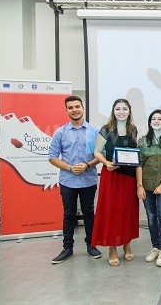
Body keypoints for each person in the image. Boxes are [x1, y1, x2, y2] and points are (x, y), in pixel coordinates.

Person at [49, 96, 101, 264]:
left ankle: (91, 245)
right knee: (68, 215)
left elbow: (101, 156)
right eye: (70, 107)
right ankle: (67, 248)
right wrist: (70, 168)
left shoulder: (94, 131)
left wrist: (87, 165)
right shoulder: (60, 132)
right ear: (66, 110)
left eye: (77, 106)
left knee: (89, 213)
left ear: (83, 108)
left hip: (88, 179)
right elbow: (52, 157)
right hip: (67, 180)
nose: (74, 110)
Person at [92, 98, 140, 266]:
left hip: (129, 177)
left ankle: (127, 245)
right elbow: (97, 152)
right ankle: (112, 248)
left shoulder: (133, 129)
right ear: (113, 111)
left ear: (129, 111)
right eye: (118, 109)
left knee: (127, 211)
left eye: (124, 109)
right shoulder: (106, 130)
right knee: (111, 212)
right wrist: (106, 163)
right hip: (111, 176)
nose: (121, 112)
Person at [136, 110, 161, 267]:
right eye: (154, 119)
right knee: (151, 216)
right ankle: (155, 247)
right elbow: (138, 164)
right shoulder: (143, 141)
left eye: (160, 119)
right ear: (150, 122)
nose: (156, 121)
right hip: (146, 183)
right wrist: (139, 186)